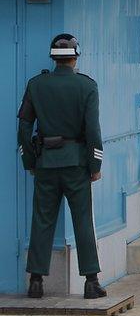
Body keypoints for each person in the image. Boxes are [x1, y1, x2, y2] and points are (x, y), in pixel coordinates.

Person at [17, 34, 106, 299]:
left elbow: (23, 127)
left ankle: (35, 281)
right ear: (75, 56)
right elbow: (93, 130)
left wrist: (30, 160)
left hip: (46, 163)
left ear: (52, 57)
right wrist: (95, 164)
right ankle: (91, 282)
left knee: (42, 220)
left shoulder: (36, 85)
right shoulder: (87, 86)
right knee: (82, 221)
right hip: (76, 164)